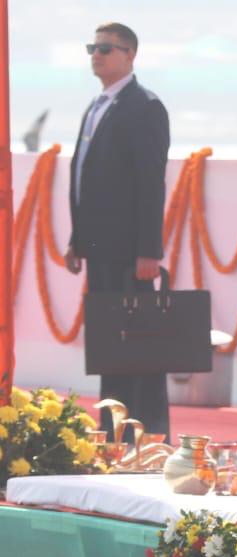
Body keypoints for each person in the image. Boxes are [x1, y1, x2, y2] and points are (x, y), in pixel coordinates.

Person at [64, 22, 170, 440]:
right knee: (110, 344)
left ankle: (145, 434)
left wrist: (149, 250)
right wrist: (77, 240)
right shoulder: (97, 106)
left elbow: (150, 182)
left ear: (130, 55)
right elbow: (86, 180)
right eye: (93, 47)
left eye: (107, 48)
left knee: (137, 344)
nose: (97, 54)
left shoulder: (144, 106)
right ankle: (112, 428)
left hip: (130, 252)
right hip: (100, 249)